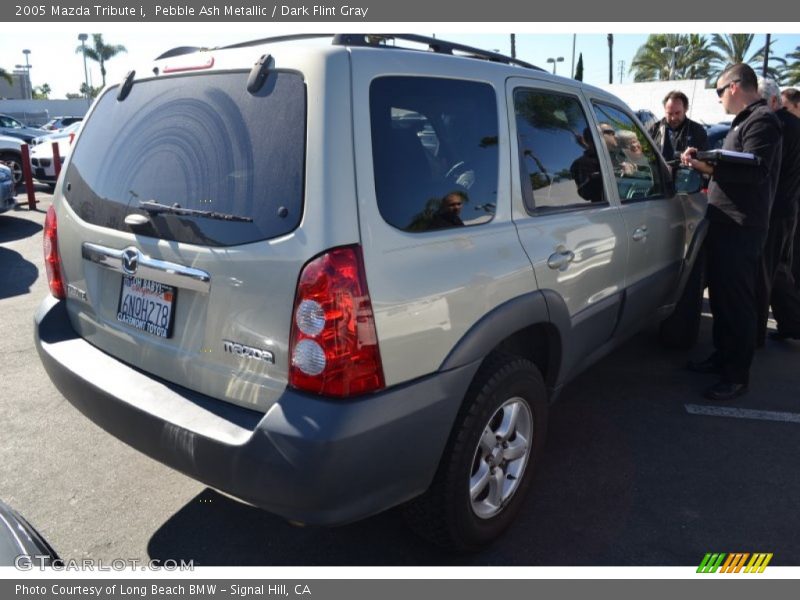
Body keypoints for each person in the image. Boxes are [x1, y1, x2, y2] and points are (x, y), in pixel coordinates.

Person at [681, 64, 783, 401]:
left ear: (735, 87)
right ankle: (722, 358)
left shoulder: (763, 121)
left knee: (737, 302)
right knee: (723, 300)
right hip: (725, 222)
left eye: (720, 90)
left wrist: (711, 159)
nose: (720, 98)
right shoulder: (745, 121)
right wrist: (700, 162)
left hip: (742, 226)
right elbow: (730, 168)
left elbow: (754, 169)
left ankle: (736, 375)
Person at [757, 80, 800, 342]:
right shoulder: (794, 124)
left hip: (774, 208)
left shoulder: (777, 126)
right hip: (789, 207)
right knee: (779, 269)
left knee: (764, 273)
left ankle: (757, 333)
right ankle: (792, 324)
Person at [650, 90, 709, 162]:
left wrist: (691, 158)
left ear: (686, 109)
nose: (673, 118)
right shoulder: (654, 129)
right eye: (669, 113)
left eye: (677, 113)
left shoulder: (697, 131)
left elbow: (705, 160)